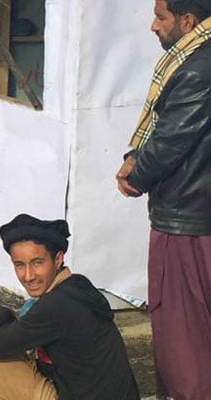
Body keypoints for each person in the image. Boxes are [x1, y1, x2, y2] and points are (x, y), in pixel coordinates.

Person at [115, 0, 211, 398]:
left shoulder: (198, 68)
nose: (154, 26)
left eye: (161, 17)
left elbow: (171, 140)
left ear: (187, 21)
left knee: (184, 337)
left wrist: (134, 174)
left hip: (187, 220)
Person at [0, 214, 139, 400]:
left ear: (58, 259)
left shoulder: (54, 307)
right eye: (20, 265)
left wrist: (1, 312)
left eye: (37, 263)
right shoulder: (78, 285)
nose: (28, 276)